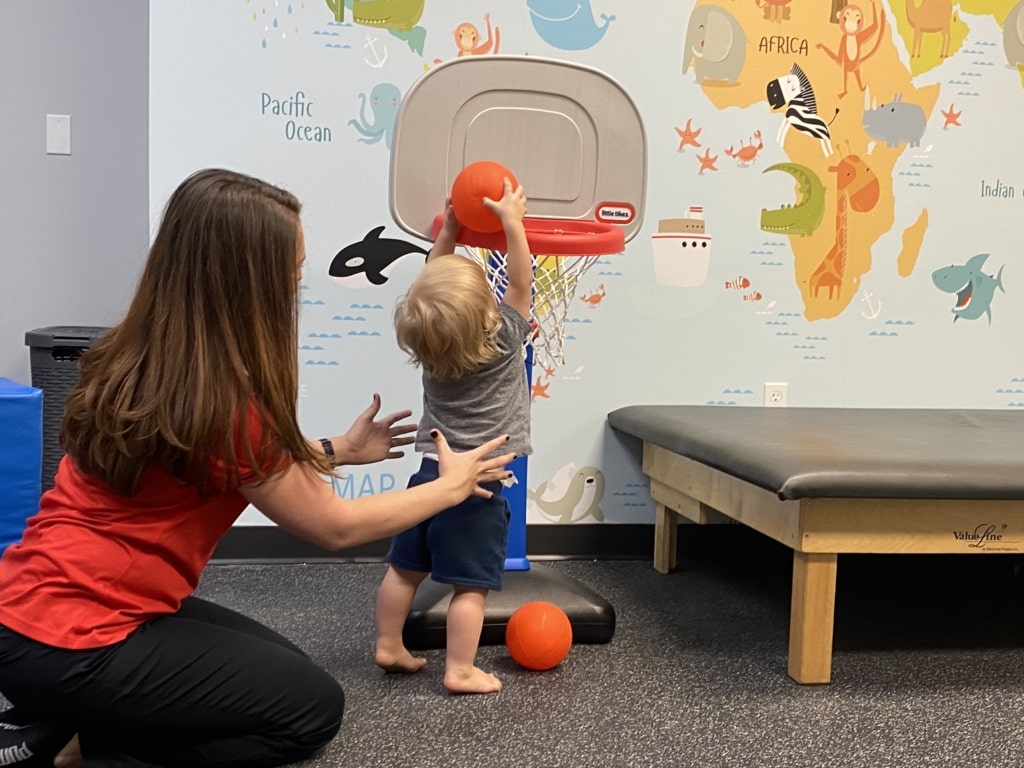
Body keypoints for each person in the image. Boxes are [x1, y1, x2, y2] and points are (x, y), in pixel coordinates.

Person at [0, 168, 516, 768]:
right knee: (310, 711)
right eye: (294, 270)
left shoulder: (139, 357)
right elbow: (335, 526)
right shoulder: (223, 401)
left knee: (287, 670)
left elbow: (228, 465)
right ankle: (88, 747)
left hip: (28, 613)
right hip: (78, 644)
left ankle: (67, 726)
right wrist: (451, 488)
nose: (300, 281)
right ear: (248, 282)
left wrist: (336, 451)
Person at [373, 177, 531, 695]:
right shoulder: (504, 340)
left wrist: (452, 231)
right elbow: (523, 287)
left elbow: (430, 283)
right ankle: (460, 669)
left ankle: (389, 645)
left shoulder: (431, 352)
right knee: (471, 587)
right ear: (488, 314)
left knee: (404, 569)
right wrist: (511, 223)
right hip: (479, 485)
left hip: (428, 478)